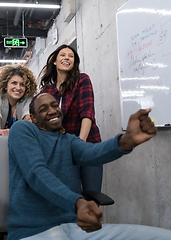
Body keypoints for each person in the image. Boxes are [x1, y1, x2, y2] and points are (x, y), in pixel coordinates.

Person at [7, 93, 171, 240]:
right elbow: (36, 173)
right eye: (43, 109)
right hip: (33, 232)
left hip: (73, 229)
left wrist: (125, 141)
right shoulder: (22, 130)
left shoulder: (68, 140)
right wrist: (77, 203)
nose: (52, 110)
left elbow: (92, 153)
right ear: (34, 118)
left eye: (54, 105)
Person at [39, 44, 103, 193]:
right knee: (68, 196)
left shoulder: (82, 80)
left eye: (71, 56)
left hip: (88, 145)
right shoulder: (47, 91)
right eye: (62, 55)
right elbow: (43, 123)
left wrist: (80, 145)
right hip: (63, 151)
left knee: (91, 196)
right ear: (54, 61)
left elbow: (87, 114)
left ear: (74, 62)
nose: (67, 57)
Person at [0, 64, 37, 183]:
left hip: (19, 147)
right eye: (14, 83)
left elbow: (27, 114)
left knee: (19, 181)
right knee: (1, 182)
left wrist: (32, 129)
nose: (18, 87)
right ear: (5, 85)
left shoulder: (28, 98)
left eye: (22, 84)